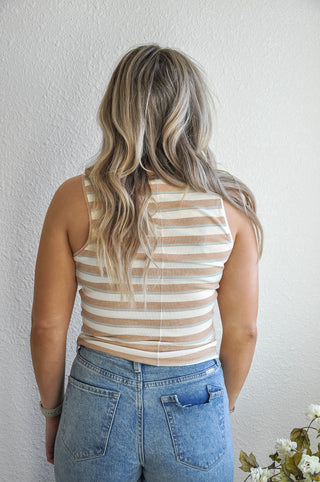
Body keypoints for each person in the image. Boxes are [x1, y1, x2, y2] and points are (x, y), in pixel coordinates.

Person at [30, 44, 263, 482]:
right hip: (194, 398)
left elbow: (46, 328)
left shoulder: (73, 200)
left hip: (96, 398)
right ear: (193, 113)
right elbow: (243, 332)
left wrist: (52, 412)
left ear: (116, 110)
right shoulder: (230, 209)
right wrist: (217, 409)